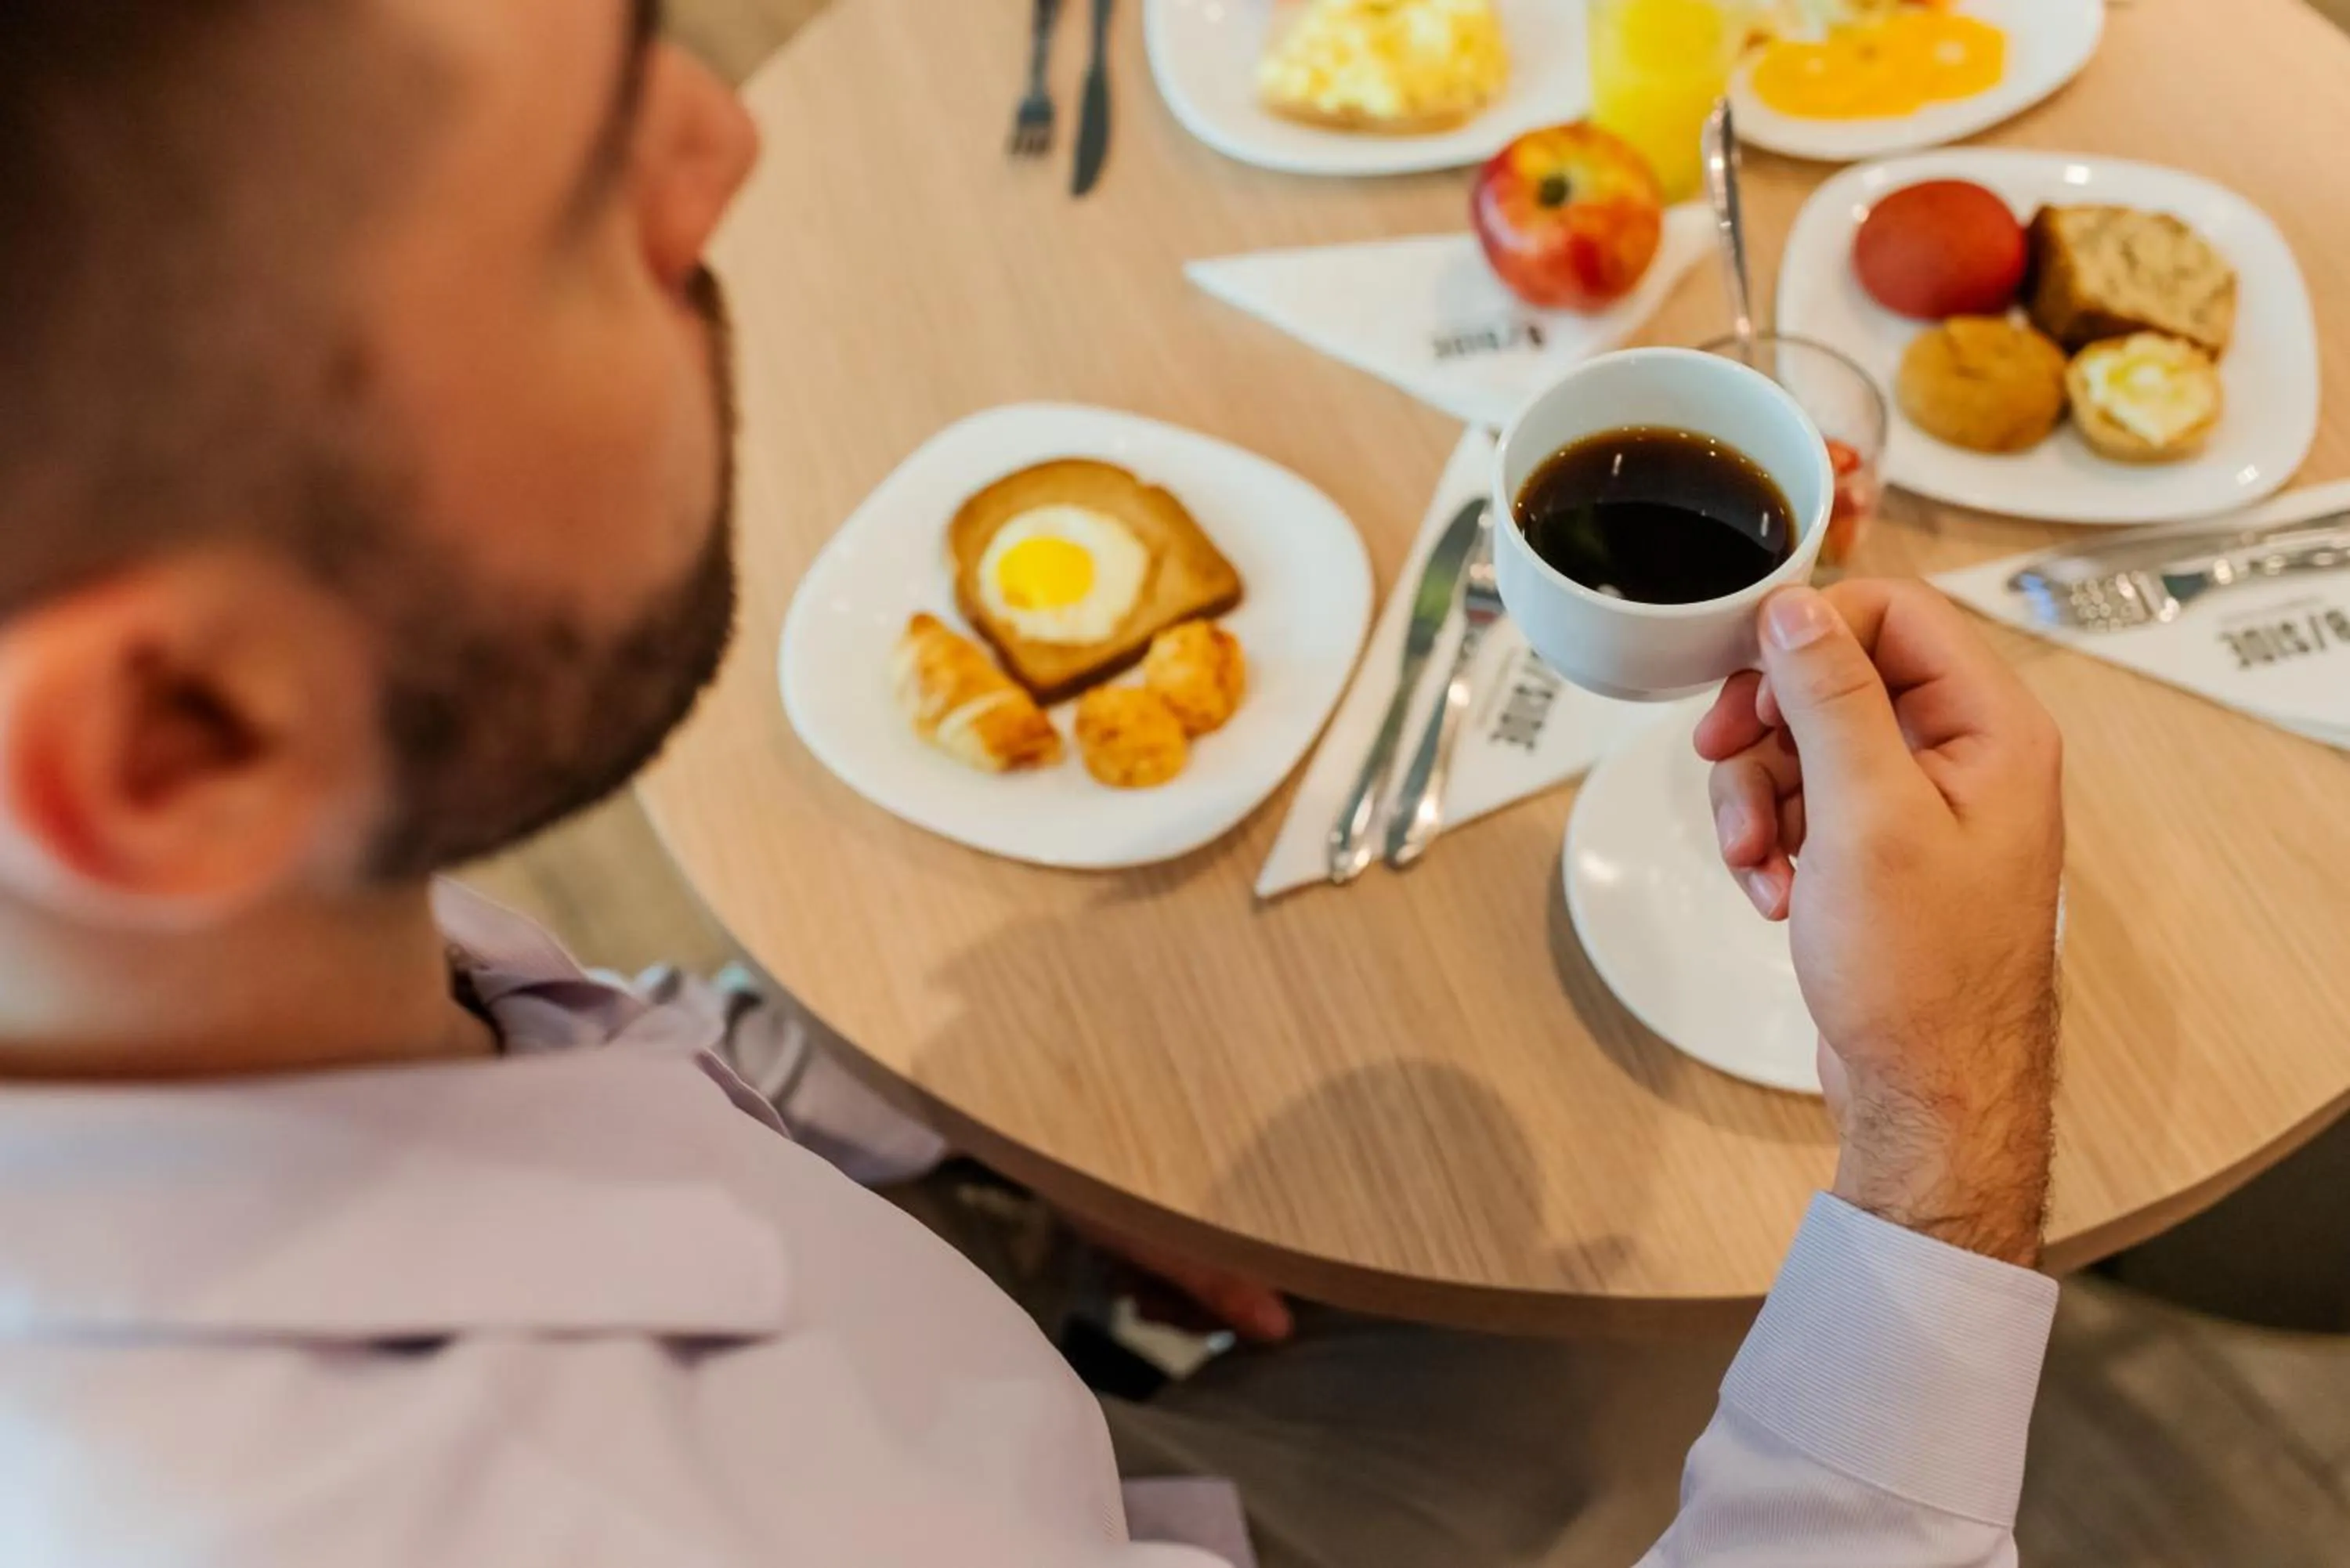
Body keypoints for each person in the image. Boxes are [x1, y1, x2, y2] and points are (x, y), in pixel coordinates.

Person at [0, 1, 2066, 1563]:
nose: (726, 139)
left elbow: (557, 1046)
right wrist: (1945, 1130)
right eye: (570, 214)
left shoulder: (165, 943)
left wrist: (948, 1154)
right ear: (177, 743)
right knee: (1654, 1331)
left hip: (971, 1339)